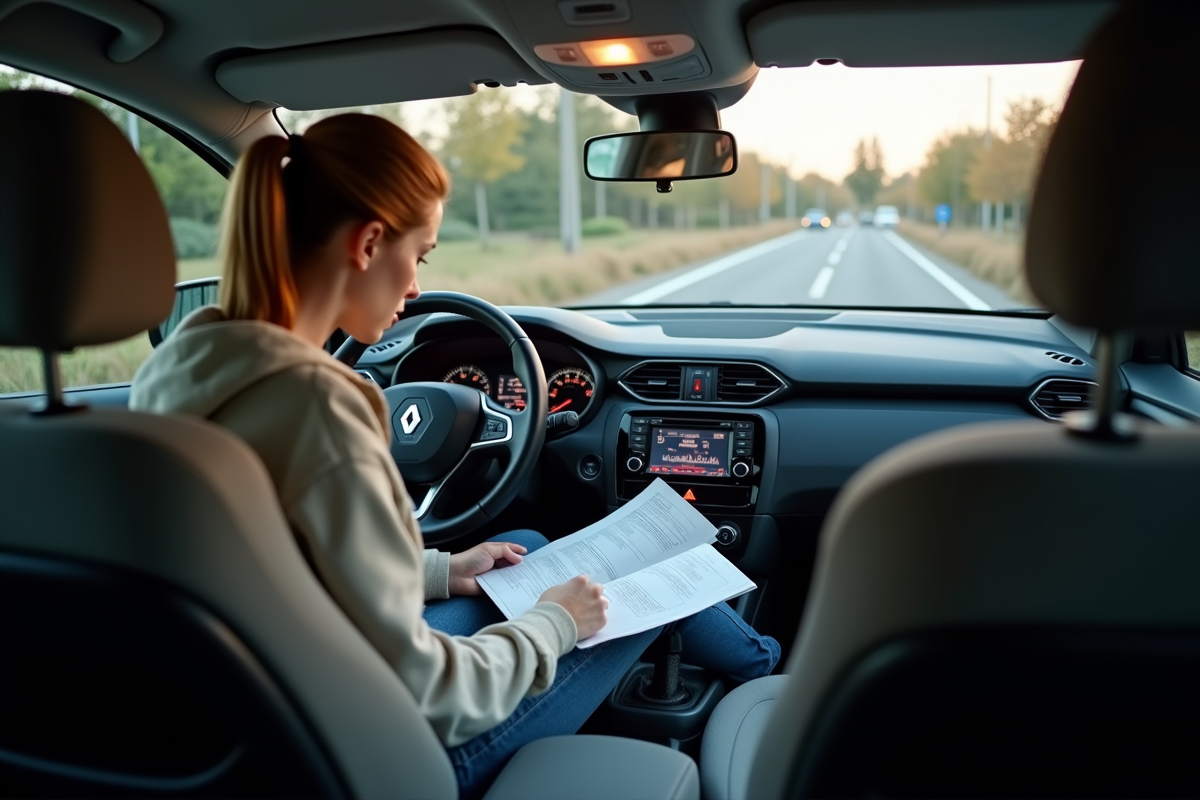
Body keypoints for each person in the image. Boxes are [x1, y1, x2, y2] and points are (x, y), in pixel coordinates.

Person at [130, 113, 779, 798]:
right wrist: (557, 623)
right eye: (421, 255)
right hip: (376, 761)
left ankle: (756, 664)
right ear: (370, 242)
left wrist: (442, 570)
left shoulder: (177, 373)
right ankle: (769, 675)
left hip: (249, 723)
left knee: (524, 544)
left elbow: (275, 569)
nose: (414, 289)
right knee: (625, 581)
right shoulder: (320, 408)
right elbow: (429, 697)